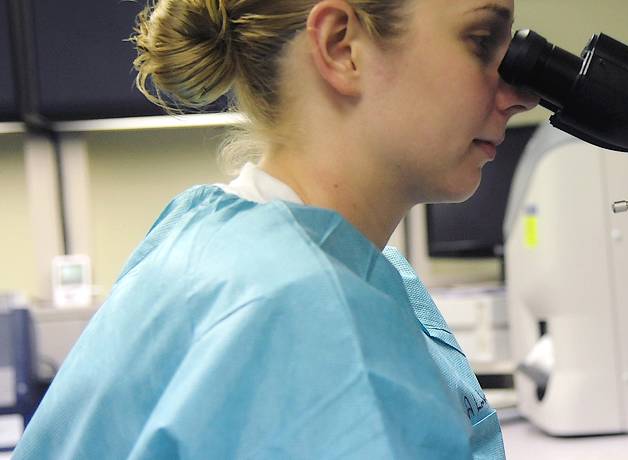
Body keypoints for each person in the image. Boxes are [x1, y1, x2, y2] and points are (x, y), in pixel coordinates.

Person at [13, 0, 537, 458]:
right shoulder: (307, 311)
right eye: (481, 41)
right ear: (341, 47)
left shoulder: (218, 237)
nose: (522, 96)